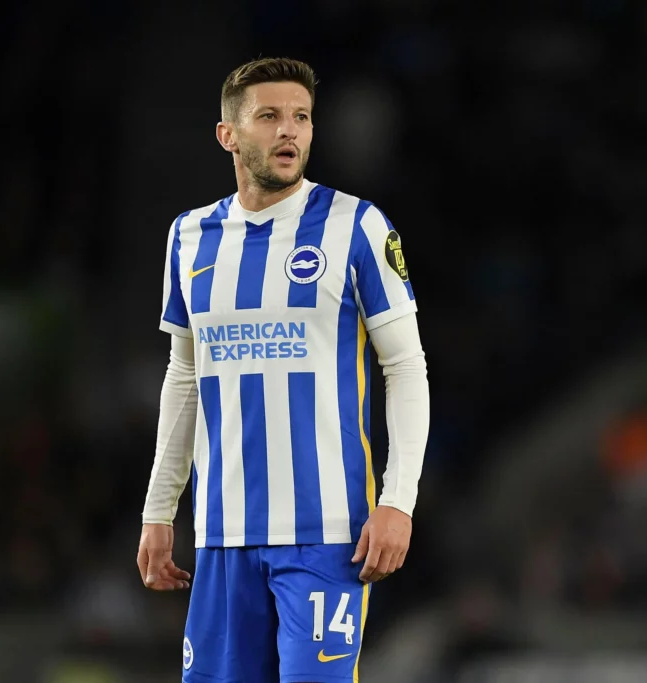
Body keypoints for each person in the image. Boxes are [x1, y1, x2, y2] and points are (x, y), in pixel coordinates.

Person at [136, 57, 430, 683]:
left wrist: (399, 501)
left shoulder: (357, 226)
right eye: (269, 117)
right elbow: (184, 378)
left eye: (301, 117)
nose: (289, 131)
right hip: (222, 532)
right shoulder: (189, 236)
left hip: (328, 532)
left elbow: (406, 367)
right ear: (229, 135)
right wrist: (159, 509)